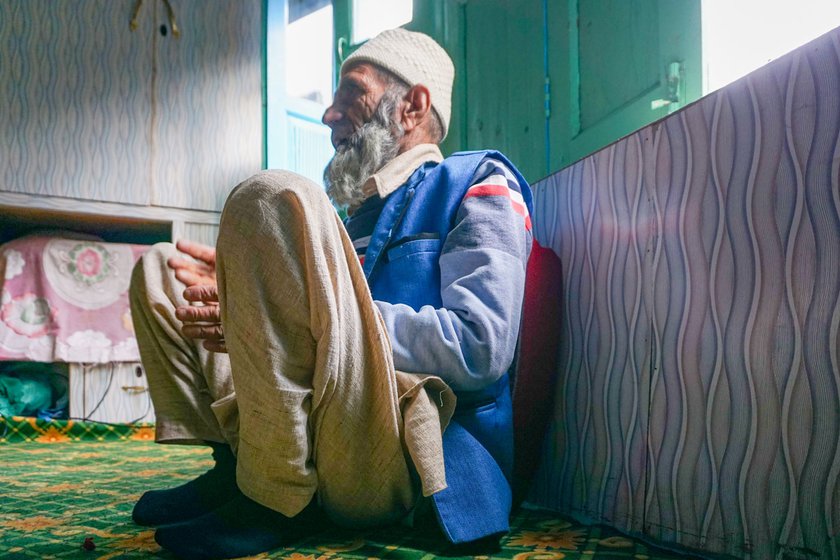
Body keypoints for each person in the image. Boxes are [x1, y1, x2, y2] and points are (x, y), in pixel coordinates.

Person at [129, 28, 533, 560]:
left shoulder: (478, 183)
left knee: (275, 195)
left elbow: (479, 347)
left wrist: (310, 316)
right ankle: (238, 469)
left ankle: (276, 497)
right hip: (322, 428)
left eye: (351, 95)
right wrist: (255, 303)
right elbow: (318, 341)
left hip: (403, 455)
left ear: (413, 106)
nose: (328, 116)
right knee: (164, 268)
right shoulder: (346, 221)